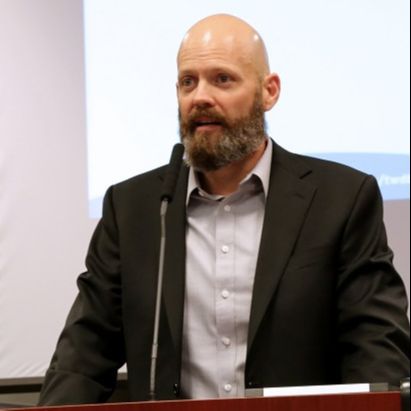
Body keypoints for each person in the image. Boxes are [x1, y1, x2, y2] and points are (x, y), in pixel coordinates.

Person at [38, 14, 410, 405]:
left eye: (222, 79)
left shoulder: (341, 199)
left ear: (269, 92)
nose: (200, 96)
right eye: (188, 81)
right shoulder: (134, 209)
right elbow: (83, 355)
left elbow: (377, 353)